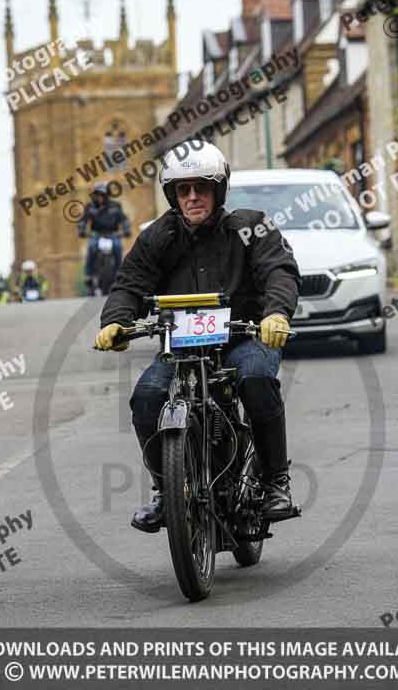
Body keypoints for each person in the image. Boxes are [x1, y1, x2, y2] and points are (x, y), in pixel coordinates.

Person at [94, 140, 301, 533]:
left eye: (201, 187)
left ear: (218, 190)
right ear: (173, 194)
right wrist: (115, 321)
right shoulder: (157, 236)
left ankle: (275, 481)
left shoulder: (249, 226)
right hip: (181, 345)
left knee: (256, 379)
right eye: (183, 190)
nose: (192, 197)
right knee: (146, 398)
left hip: (243, 339)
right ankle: (165, 489)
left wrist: (275, 313)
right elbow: (129, 284)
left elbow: (279, 270)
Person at [78, 182, 131, 291]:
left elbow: (124, 219)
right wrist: (82, 230)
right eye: (97, 195)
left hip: (113, 234)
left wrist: (126, 230)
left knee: (118, 248)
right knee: (91, 248)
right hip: (96, 235)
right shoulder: (90, 207)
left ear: (107, 195)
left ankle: (118, 275)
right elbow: (83, 221)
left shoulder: (116, 206)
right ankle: (89, 275)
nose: (100, 197)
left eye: (102, 194)